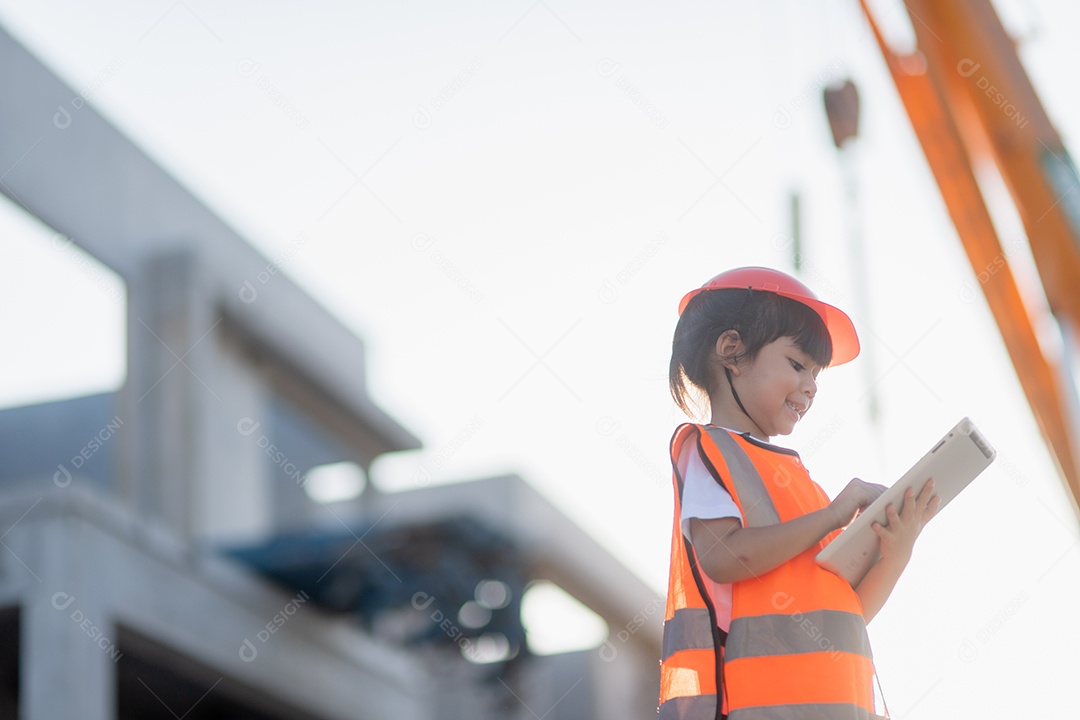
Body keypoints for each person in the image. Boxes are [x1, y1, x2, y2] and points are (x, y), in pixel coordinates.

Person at [657, 267, 940, 720]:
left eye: (816, 374)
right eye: (797, 364)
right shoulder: (710, 449)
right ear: (731, 350)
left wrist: (897, 552)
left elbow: (844, 616)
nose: (811, 386)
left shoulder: (800, 483)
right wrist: (832, 516)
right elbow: (723, 556)